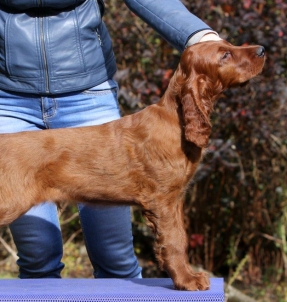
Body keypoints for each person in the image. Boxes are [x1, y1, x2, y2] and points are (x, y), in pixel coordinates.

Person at [0, 0, 221, 279]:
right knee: (37, 256)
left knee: (114, 256)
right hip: (9, 100)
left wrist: (198, 35)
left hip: (87, 96)